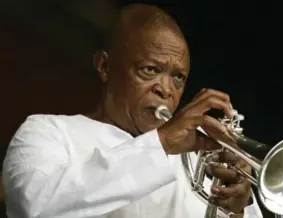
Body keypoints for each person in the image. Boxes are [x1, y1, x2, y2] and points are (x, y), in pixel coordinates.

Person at [2, 3, 263, 218]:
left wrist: (238, 211)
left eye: (178, 77)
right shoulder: (46, 133)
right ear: (105, 66)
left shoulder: (201, 162)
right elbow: (34, 206)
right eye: (150, 70)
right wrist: (161, 142)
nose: (166, 90)